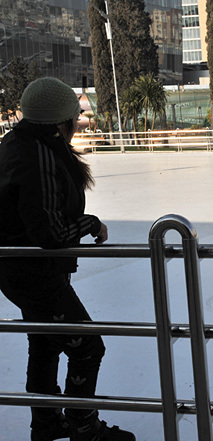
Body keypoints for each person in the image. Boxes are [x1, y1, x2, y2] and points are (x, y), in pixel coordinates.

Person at [0, 78, 135, 441]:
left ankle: (46, 424)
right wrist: (91, 224)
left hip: (22, 272)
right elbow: (50, 233)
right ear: (61, 122)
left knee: (44, 345)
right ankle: (83, 426)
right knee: (88, 347)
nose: (78, 125)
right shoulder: (38, 154)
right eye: (75, 118)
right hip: (35, 274)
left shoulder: (17, 143)